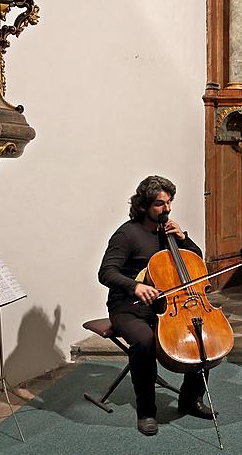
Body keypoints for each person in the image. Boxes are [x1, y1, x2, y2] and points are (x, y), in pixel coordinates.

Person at [98, 175, 214, 435]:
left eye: (169, 202)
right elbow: (106, 272)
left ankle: (191, 398)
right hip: (128, 307)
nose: (167, 209)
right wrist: (136, 286)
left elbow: (195, 262)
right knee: (144, 340)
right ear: (144, 205)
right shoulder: (126, 234)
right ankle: (147, 410)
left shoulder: (169, 233)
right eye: (160, 204)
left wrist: (183, 238)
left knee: (202, 335)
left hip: (167, 305)